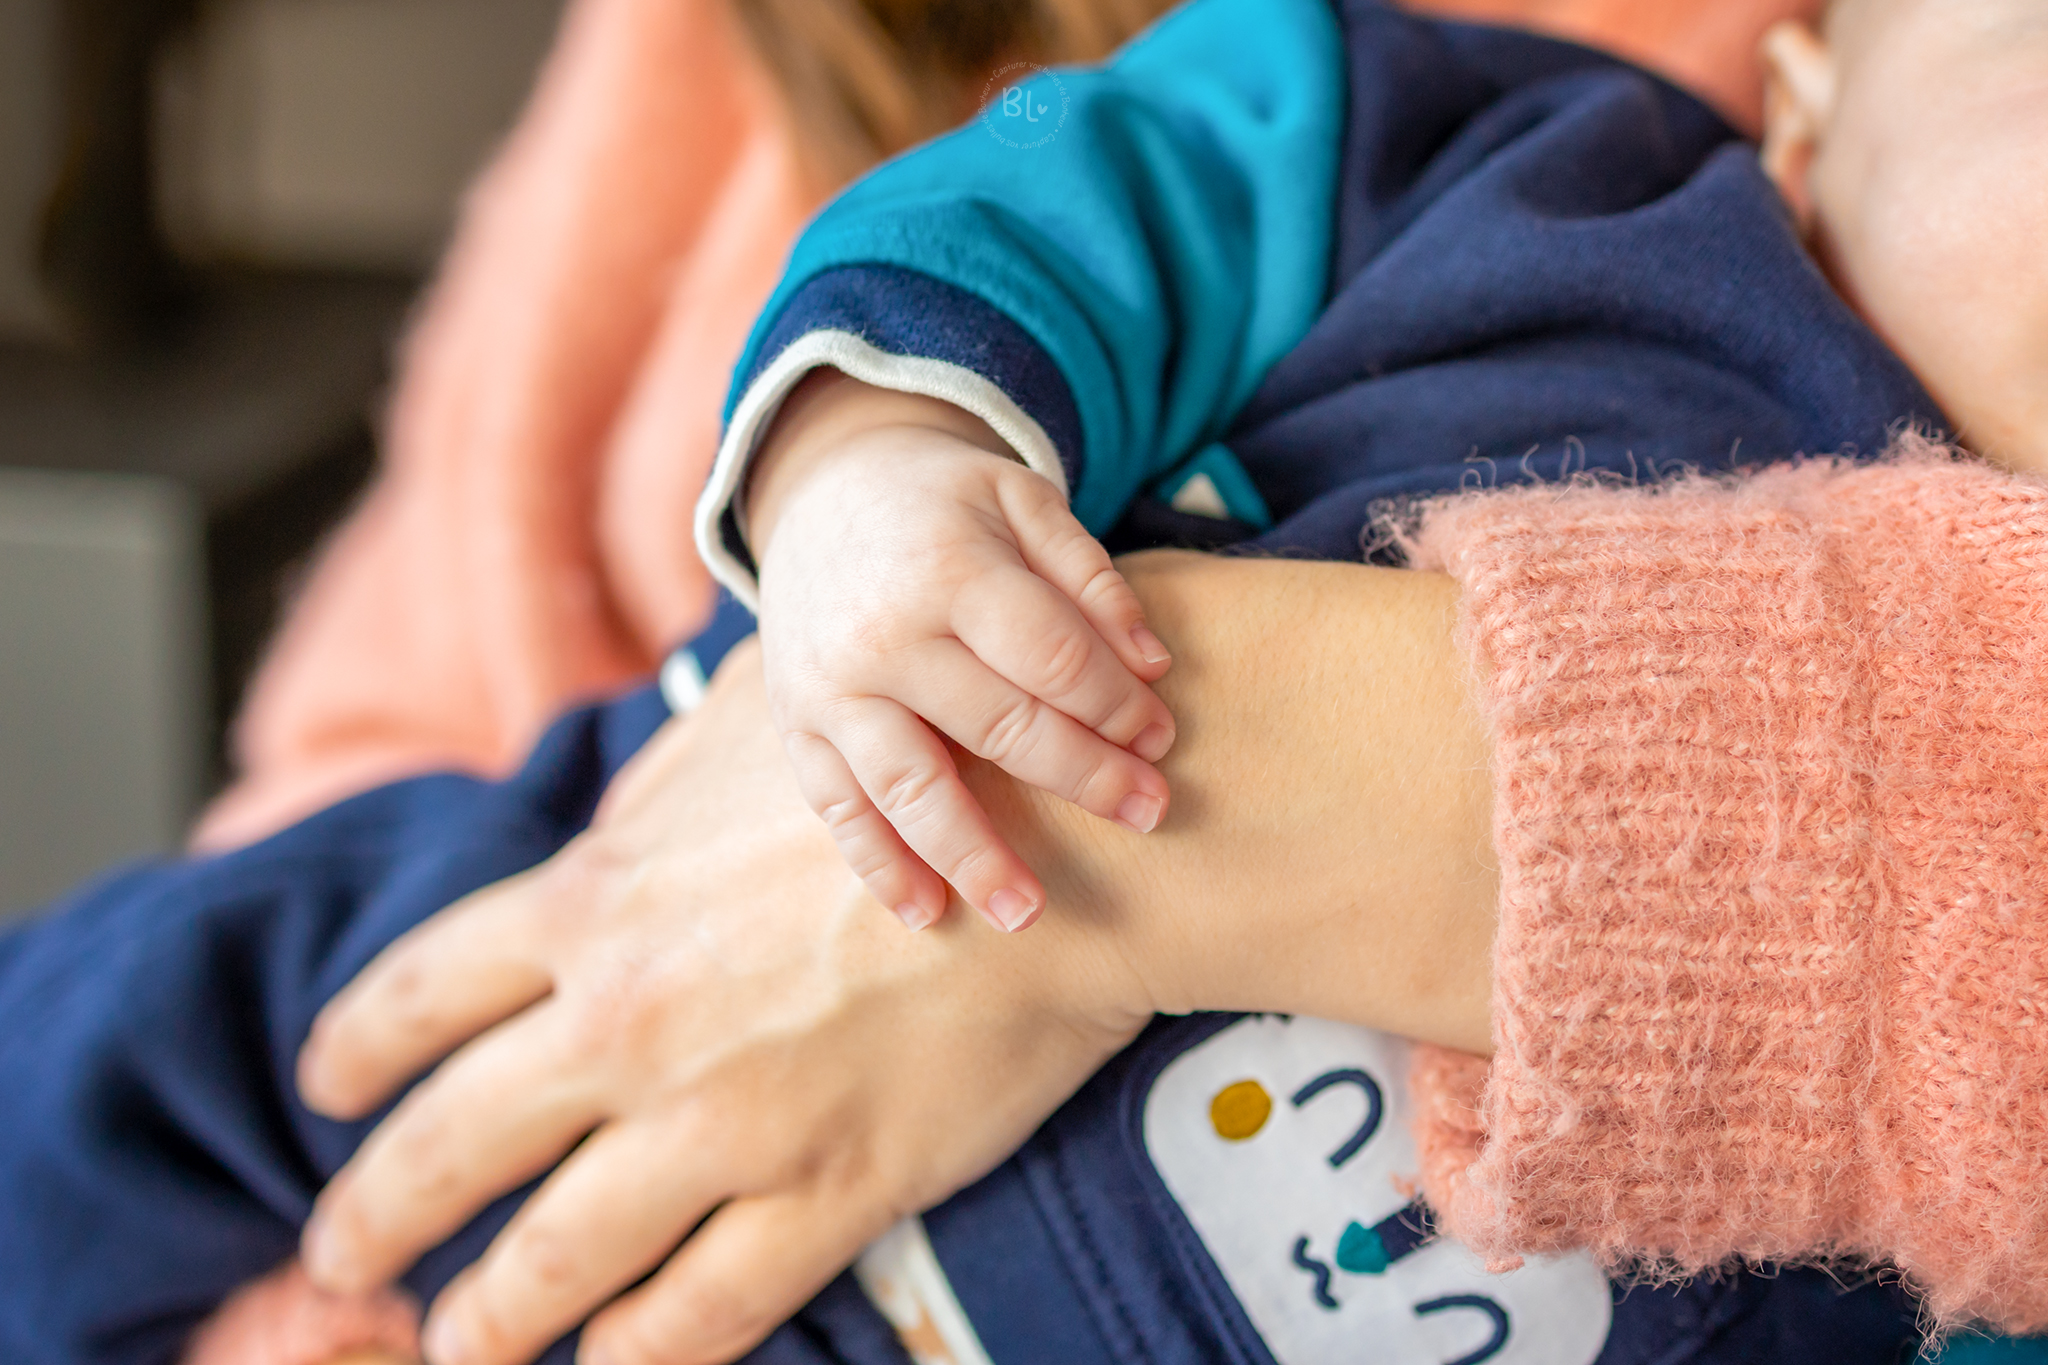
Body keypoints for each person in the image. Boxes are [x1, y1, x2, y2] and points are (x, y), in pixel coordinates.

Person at [2, 4, 2045, 1365]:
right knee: (205, 1040)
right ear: (1807, 89)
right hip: (645, 898)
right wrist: (880, 466)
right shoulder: (1556, 170)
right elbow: (1095, 198)